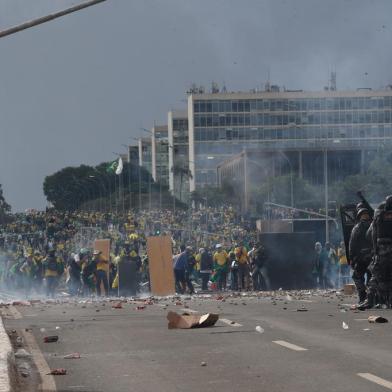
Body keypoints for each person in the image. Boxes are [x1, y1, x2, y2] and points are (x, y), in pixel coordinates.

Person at [363, 196, 392, 309]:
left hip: (381, 253)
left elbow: (369, 234)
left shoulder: (378, 216)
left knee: (375, 277)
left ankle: (369, 300)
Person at [349, 208, 373, 305]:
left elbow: (352, 244)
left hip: (361, 257)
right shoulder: (374, 226)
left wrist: (352, 258)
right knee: (372, 278)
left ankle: (363, 296)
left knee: (357, 277)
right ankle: (371, 297)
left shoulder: (357, 228)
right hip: (372, 257)